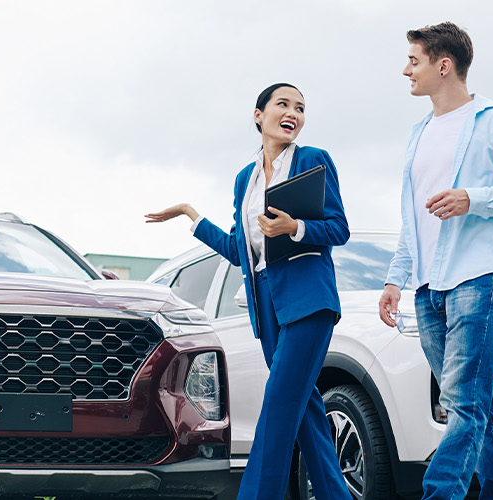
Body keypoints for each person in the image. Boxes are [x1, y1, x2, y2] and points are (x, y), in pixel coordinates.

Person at [146, 82, 351, 500]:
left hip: (309, 300)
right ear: (259, 115)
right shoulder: (245, 178)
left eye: (300, 107)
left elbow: (339, 229)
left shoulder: (314, 160)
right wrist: (192, 214)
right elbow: (240, 252)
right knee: (305, 410)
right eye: (283, 104)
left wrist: (294, 227)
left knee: (278, 404)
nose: (293, 112)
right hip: (268, 307)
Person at [376, 22, 493, 500]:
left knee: (463, 402)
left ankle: (440, 493)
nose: (405, 70)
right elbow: (413, 220)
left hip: (481, 276)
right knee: (474, 402)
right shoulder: (419, 135)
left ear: (443, 65)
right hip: (429, 288)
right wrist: (397, 279)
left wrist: (475, 198)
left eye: (414, 60)